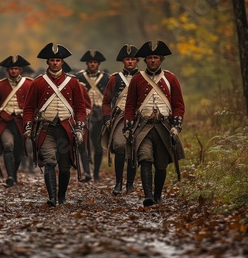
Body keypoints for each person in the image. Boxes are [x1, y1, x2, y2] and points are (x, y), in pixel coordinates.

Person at [23, 43, 87, 206]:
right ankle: (52, 197)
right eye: (52, 60)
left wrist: (79, 126)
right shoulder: (38, 83)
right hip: (46, 129)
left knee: (65, 167)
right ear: (48, 62)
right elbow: (29, 108)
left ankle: (61, 196)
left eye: (58, 60)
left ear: (62, 62)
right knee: (50, 161)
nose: (55, 63)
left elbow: (80, 107)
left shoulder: (73, 82)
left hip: (66, 129)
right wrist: (28, 126)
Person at [124, 40, 185, 206]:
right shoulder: (137, 79)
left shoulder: (171, 79)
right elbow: (130, 105)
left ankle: (158, 194)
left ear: (161, 59)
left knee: (161, 165)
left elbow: (179, 105)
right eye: (150, 57)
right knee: (145, 158)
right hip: (143, 127)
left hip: (164, 126)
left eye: (155, 57)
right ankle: (148, 196)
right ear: (145, 60)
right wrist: (128, 127)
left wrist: (176, 126)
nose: (152, 60)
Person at [0, 55, 33, 187]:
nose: (13, 71)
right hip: (5, 122)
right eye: (11, 69)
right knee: (8, 146)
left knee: (18, 152)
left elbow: (34, 104)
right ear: (7, 70)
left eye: (16, 68)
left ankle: (14, 173)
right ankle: (10, 176)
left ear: (20, 70)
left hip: (21, 122)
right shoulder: (0, 85)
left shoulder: (29, 84)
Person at [102, 44, 140, 195]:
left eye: (132, 59)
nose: (130, 62)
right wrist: (107, 118)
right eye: (127, 59)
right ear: (123, 61)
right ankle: (118, 182)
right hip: (120, 117)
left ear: (137, 61)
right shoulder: (114, 79)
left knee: (134, 149)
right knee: (119, 146)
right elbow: (106, 101)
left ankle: (130, 184)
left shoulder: (143, 78)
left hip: (139, 117)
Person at [75, 49, 110, 181]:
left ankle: (96, 173)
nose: (93, 65)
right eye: (90, 62)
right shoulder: (79, 77)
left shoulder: (106, 78)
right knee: (82, 143)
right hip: (84, 113)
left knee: (98, 147)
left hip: (100, 115)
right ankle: (87, 172)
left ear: (99, 64)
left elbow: (110, 98)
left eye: (95, 62)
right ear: (87, 63)